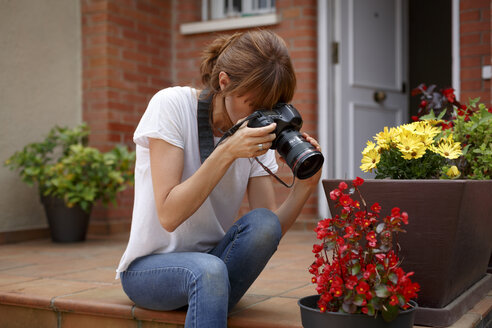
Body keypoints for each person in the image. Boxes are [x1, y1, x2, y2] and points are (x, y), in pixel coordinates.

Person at [116, 29, 322, 328]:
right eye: (256, 105)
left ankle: (206, 298)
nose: (263, 116)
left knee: (262, 223)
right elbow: (169, 215)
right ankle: (207, 293)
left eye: (272, 107)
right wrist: (227, 152)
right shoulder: (171, 105)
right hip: (149, 271)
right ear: (224, 82)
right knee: (207, 271)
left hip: (215, 266)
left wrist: (304, 187)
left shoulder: (256, 130)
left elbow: (267, 231)